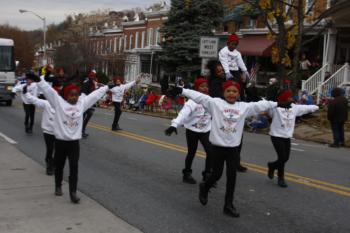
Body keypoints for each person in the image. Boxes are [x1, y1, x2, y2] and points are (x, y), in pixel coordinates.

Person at [169, 80, 280, 218]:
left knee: (232, 177)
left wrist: (278, 104)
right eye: (228, 91)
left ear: (238, 94)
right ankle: (205, 186)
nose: (231, 93)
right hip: (217, 147)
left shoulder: (243, 107)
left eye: (234, 91)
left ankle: (228, 205)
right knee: (216, 174)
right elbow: (200, 97)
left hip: (233, 149)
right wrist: (182, 91)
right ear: (224, 92)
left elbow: (260, 105)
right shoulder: (216, 104)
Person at [32, 73, 109, 204]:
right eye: (71, 95)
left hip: (74, 144)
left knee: (74, 167)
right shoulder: (58, 103)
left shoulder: (81, 104)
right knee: (59, 166)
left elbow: (94, 96)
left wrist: (106, 87)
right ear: (66, 95)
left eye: (76, 95)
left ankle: (73, 192)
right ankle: (58, 186)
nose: (74, 97)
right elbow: (48, 91)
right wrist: (39, 80)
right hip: (60, 142)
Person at [165, 77, 213, 184]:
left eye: (206, 86)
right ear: (197, 88)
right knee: (192, 152)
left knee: (210, 152)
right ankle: (187, 174)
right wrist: (174, 125)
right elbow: (183, 114)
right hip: (192, 130)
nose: (205, 88)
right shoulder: (192, 102)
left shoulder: (211, 100)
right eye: (202, 86)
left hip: (206, 130)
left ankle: (207, 175)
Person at [267, 90, 319, 187]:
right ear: (284, 98)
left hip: (287, 136)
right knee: (282, 157)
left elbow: (305, 108)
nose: (292, 98)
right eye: (289, 97)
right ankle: (281, 178)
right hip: (276, 135)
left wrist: (316, 107)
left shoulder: (294, 107)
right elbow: (265, 107)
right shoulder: (275, 107)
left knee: (286, 158)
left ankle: (272, 166)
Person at [207, 60, 248, 172]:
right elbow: (217, 98)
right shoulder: (216, 82)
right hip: (222, 114)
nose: (221, 72)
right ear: (214, 73)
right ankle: (211, 169)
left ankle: (235, 162)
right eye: (218, 71)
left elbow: (241, 91)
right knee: (219, 142)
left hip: (236, 113)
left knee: (237, 138)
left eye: (222, 70)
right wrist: (230, 98)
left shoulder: (230, 79)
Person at [23, 86, 56, 175]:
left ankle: (54, 164)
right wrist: (26, 93)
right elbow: (34, 100)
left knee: (58, 150)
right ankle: (49, 165)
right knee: (50, 149)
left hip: (59, 132)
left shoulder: (62, 105)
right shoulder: (46, 103)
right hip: (48, 132)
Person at [219, 34, 250, 100]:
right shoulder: (223, 51)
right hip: (226, 70)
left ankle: (241, 98)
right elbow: (224, 61)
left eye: (235, 45)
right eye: (232, 44)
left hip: (235, 71)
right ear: (228, 43)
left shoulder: (237, 53)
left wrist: (245, 70)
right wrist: (227, 72)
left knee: (239, 84)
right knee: (227, 85)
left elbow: (240, 62)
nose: (234, 46)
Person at [81, 70, 98, 138]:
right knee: (85, 115)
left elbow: (92, 91)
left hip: (89, 101)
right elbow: (84, 91)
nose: (92, 76)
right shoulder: (87, 81)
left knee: (86, 114)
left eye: (93, 75)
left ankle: (82, 130)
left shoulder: (91, 82)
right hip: (85, 100)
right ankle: (81, 130)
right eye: (91, 75)